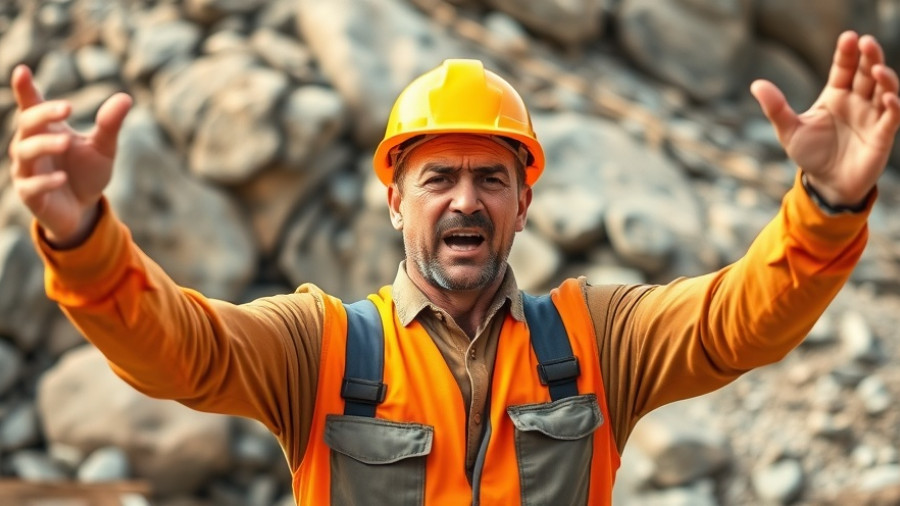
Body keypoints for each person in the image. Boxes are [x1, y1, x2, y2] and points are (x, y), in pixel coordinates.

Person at [8, 30, 899, 505]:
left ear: (524, 202)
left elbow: (737, 321)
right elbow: (180, 349)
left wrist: (823, 209)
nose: (466, 201)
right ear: (396, 198)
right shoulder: (317, 350)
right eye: (439, 178)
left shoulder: (600, 340)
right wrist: (85, 236)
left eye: (492, 178)